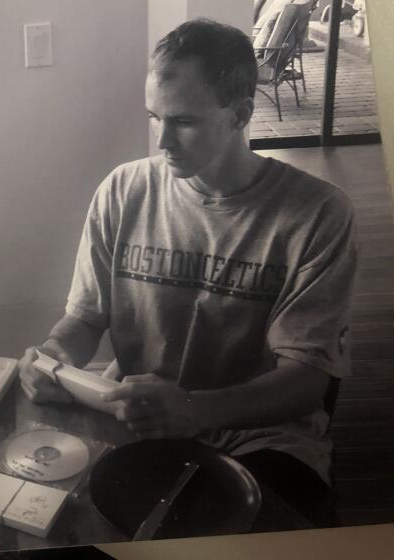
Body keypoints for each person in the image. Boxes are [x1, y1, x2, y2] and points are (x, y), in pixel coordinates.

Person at [18, 19, 358, 526]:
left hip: (265, 438)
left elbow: (307, 380)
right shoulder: (123, 191)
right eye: (155, 117)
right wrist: (54, 356)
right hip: (137, 423)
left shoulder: (318, 214)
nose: (162, 141)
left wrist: (196, 410)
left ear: (241, 113)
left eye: (184, 122)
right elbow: (85, 319)